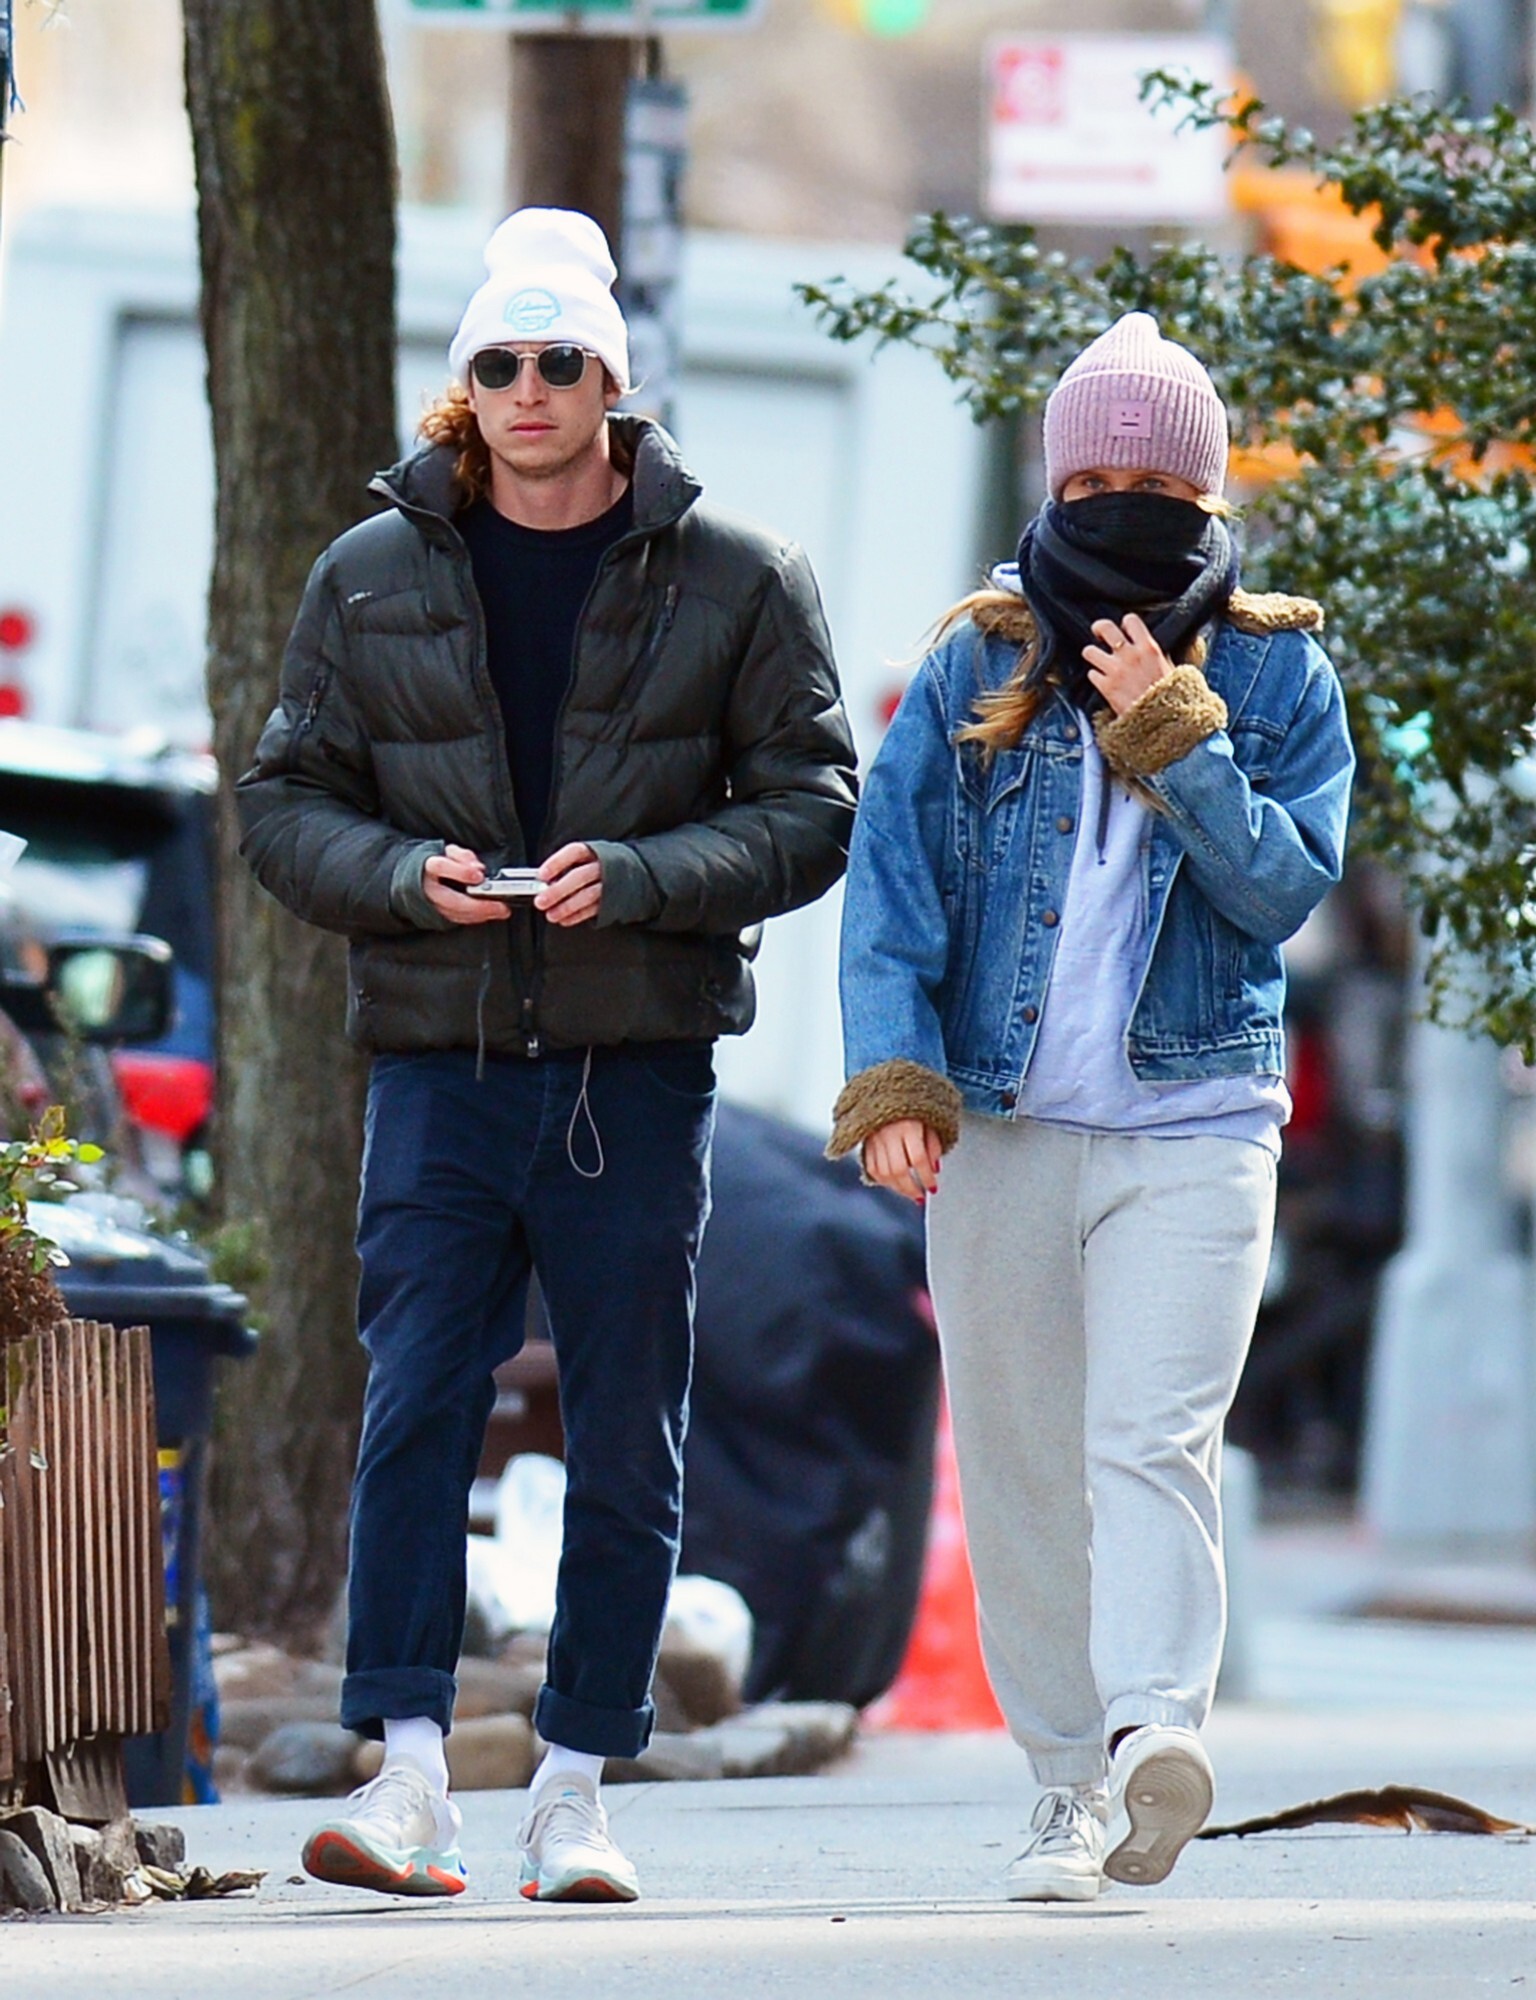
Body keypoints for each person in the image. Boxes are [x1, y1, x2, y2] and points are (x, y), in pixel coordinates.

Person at [238, 208, 856, 1905]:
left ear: (611, 382)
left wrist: (641, 877)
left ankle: (578, 1791)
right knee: (414, 1410)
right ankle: (408, 1778)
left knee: (628, 1432)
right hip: (437, 1060)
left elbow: (815, 808)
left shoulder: (738, 574)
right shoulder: (368, 573)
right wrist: (401, 879)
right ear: (467, 383)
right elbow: (283, 804)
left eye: (562, 359)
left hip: (631, 1068)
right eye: (500, 361)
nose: (529, 388)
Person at [827, 313, 1355, 1902]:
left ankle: (1149, 1740)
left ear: (1208, 494)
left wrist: (1175, 734)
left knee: (1154, 1440)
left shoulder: (1276, 668)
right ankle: (1063, 1787)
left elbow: (1283, 893)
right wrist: (897, 1081)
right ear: (1053, 487)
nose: (1126, 506)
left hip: (1197, 1125)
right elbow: (892, 889)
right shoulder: (976, 658)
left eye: (1161, 486)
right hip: (1001, 1129)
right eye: (1093, 481)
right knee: (1018, 1464)